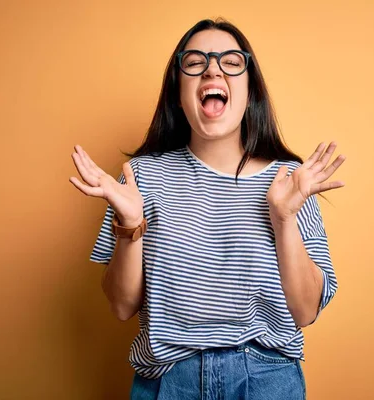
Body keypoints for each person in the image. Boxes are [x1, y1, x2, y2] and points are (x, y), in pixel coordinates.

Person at [69, 17, 346, 400]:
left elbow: (305, 312)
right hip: (169, 382)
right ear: (178, 94)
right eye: (195, 62)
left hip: (267, 380)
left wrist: (283, 218)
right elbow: (120, 306)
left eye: (231, 62)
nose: (213, 68)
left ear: (250, 93)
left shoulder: (291, 180)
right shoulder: (141, 176)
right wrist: (131, 225)